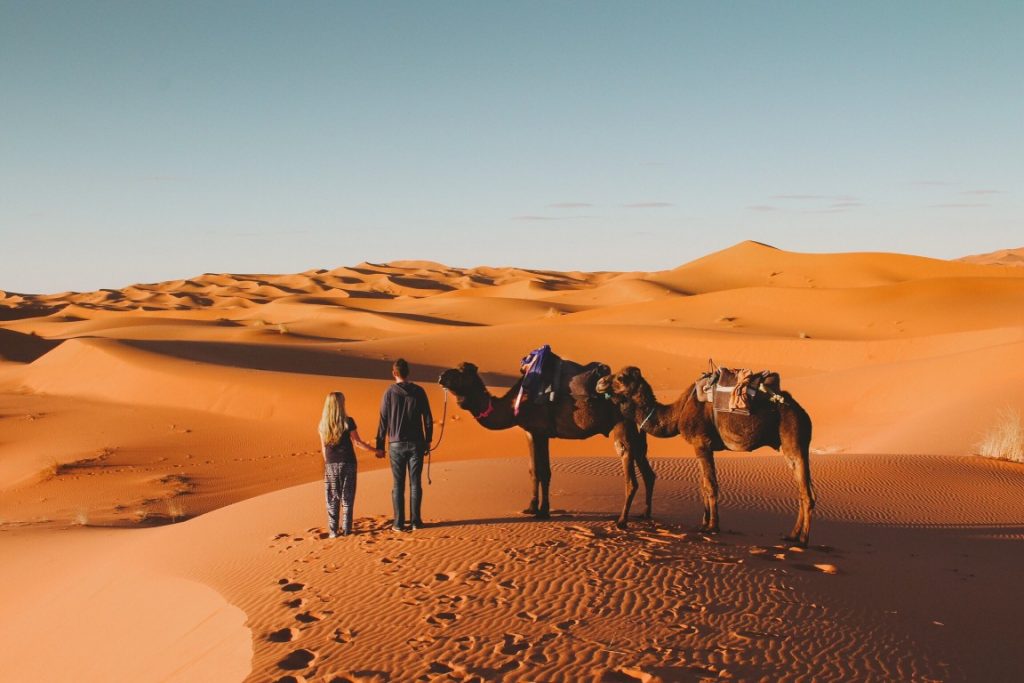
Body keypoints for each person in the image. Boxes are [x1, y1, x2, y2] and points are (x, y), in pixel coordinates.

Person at [375, 358, 433, 531]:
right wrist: (428, 440)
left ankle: (398, 523)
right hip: (416, 443)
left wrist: (379, 445)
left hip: (396, 444)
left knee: (397, 484)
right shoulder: (419, 391)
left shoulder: (389, 393)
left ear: (394, 373)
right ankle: (416, 522)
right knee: (415, 483)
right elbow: (428, 419)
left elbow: (383, 421)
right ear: (408, 373)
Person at [318, 391, 378, 538]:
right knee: (347, 497)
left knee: (332, 498)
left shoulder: (322, 424)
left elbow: (323, 449)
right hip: (348, 462)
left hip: (331, 464)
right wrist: (375, 450)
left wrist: (328, 465)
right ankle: (346, 530)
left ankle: (333, 531)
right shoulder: (348, 421)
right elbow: (357, 442)